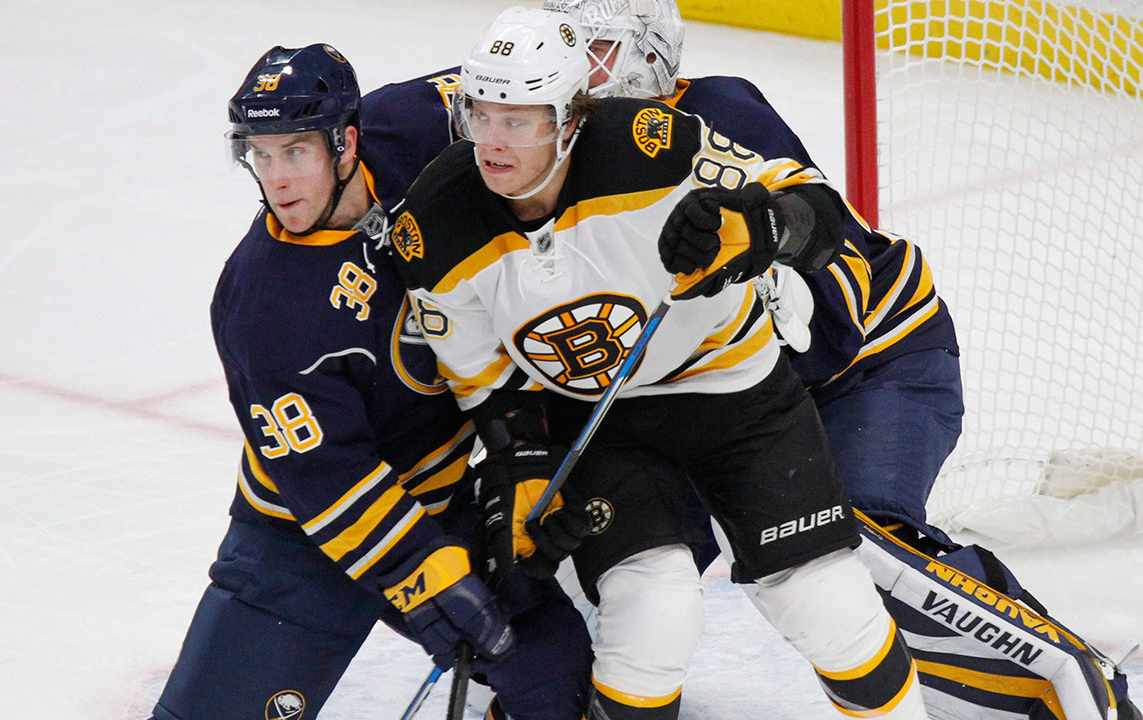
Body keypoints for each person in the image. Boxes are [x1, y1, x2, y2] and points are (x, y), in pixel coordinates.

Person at [543, 2, 1139, 718]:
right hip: (707, 400)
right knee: (592, 581)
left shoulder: (716, 116)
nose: (573, 67)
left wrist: (769, 267)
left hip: (866, 369)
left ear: (649, 55)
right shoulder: (541, 151)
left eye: (597, 49)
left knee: (850, 553)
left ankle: (1070, 690)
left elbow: (836, 301)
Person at [390, 7, 930, 720]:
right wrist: (519, 473)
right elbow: (487, 384)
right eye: (480, 114)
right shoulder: (432, 225)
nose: (491, 141)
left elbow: (816, 208)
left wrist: (756, 227)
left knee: (825, 602)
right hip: (600, 422)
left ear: (570, 118)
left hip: (736, 393)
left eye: (516, 120)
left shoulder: (654, 145)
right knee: (653, 609)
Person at [148, 43, 593, 720]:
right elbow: (327, 476)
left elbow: (533, 92)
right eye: (261, 155)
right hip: (301, 540)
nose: (277, 180)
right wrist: (427, 574)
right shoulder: (262, 305)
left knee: (558, 679)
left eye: (295, 152)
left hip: (443, 498)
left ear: (346, 143)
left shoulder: (412, 127)